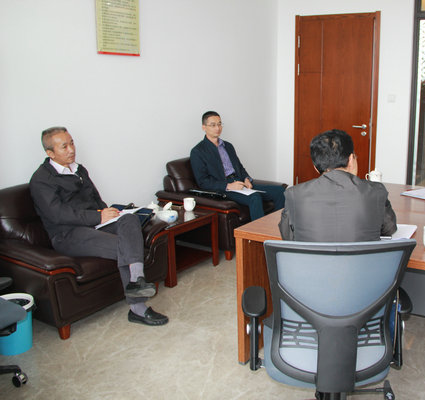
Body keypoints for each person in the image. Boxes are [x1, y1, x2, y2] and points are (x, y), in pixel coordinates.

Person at [29, 127, 168, 326]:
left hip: (95, 224)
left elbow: (95, 199)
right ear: (50, 153)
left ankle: (137, 279)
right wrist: (98, 216)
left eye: (72, 143)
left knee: (129, 219)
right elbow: (58, 214)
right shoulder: (41, 180)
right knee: (124, 245)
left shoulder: (79, 169)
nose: (71, 149)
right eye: (64, 146)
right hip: (68, 234)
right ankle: (138, 309)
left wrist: (108, 213)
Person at [279, 129, 397, 241]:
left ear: (315, 167)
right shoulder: (376, 191)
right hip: (360, 257)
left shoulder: (294, 194)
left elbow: (287, 236)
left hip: (312, 257)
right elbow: (389, 229)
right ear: (351, 159)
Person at [190, 111, 285, 221]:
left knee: (280, 191)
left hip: (240, 182)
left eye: (219, 124)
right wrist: (229, 186)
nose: (217, 128)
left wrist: (247, 179)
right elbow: (203, 182)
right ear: (204, 127)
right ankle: (259, 232)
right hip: (224, 188)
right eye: (213, 125)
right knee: (255, 197)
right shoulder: (198, 151)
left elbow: (239, 167)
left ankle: (278, 227)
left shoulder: (228, 146)